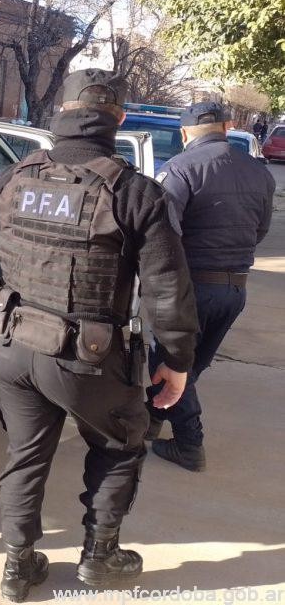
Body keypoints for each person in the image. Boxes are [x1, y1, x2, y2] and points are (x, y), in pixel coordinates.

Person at [0, 69, 199, 601]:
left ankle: (18, 566)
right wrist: (176, 361)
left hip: (13, 345)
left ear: (61, 112)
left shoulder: (13, 176)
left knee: (25, 453)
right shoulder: (133, 191)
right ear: (118, 118)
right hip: (89, 358)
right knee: (120, 444)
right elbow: (167, 289)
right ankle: (100, 558)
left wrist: (1, 253)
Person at [146, 102, 275, 471]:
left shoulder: (180, 168)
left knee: (171, 361)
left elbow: (163, 234)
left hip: (190, 289)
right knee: (190, 365)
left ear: (185, 133)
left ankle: (189, 444)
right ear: (227, 127)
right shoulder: (259, 171)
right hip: (235, 289)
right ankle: (154, 416)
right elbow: (261, 230)